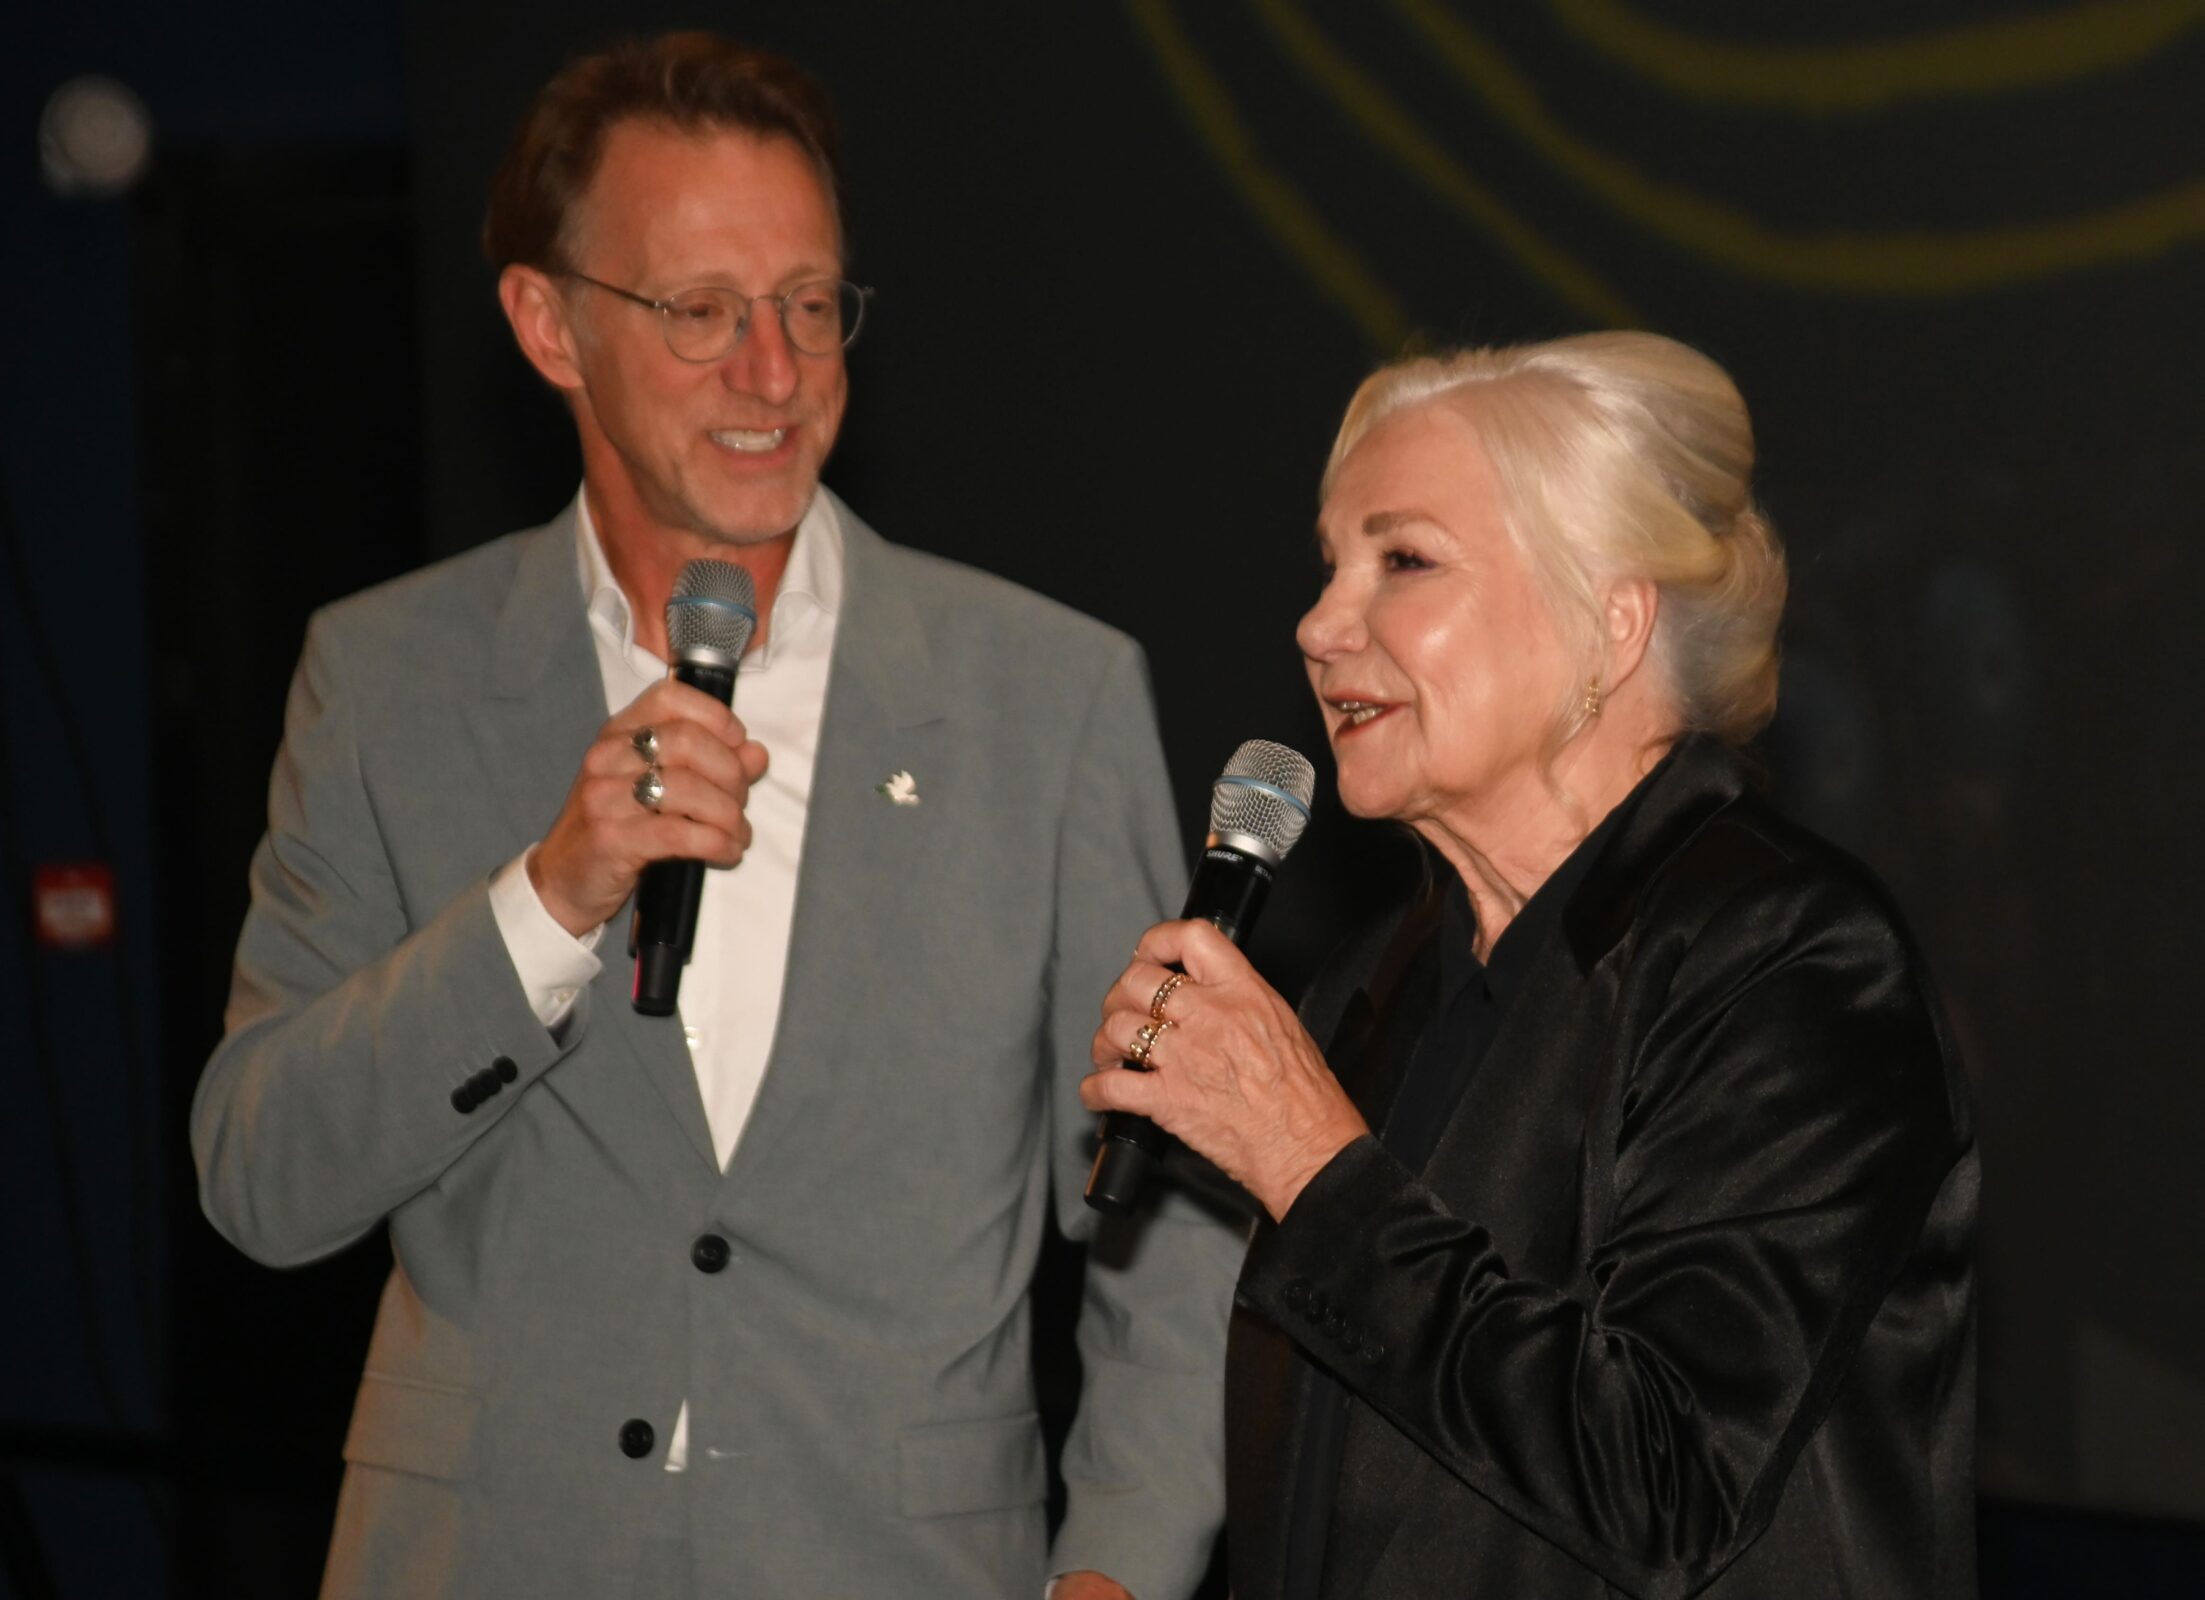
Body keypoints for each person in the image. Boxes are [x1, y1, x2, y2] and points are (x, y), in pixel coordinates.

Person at [192, 32, 1241, 1600]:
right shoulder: (390, 679)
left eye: (809, 305)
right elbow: (261, 1179)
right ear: (549, 324)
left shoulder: (1046, 696)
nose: (773, 371)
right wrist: (546, 904)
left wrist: (1119, 1573)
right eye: (700, 311)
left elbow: (1167, 1213)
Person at [1082, 332, 1977, 1598]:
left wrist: (1306, 1162)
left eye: (1403, 560)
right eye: (1330, 566)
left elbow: (1665, 1479)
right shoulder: (1375, 982)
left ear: (1609, 621)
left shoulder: (1792, 963)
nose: (1319, 625)